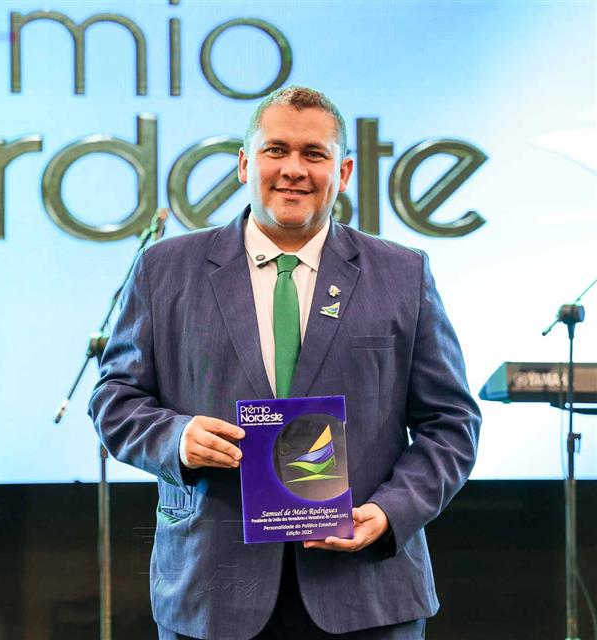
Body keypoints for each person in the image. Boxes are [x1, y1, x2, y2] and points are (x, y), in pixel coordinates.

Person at [89, 86, 481, 640]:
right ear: (244, 164)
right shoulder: (164, 269)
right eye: (276, 150)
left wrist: (392, 511)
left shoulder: (403, 273)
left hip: (369, 594)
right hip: (211, 591)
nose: (293, 169)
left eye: (314, 154)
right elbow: (114, 399)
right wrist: (176, 438)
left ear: (343, 172)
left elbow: (452, 424)